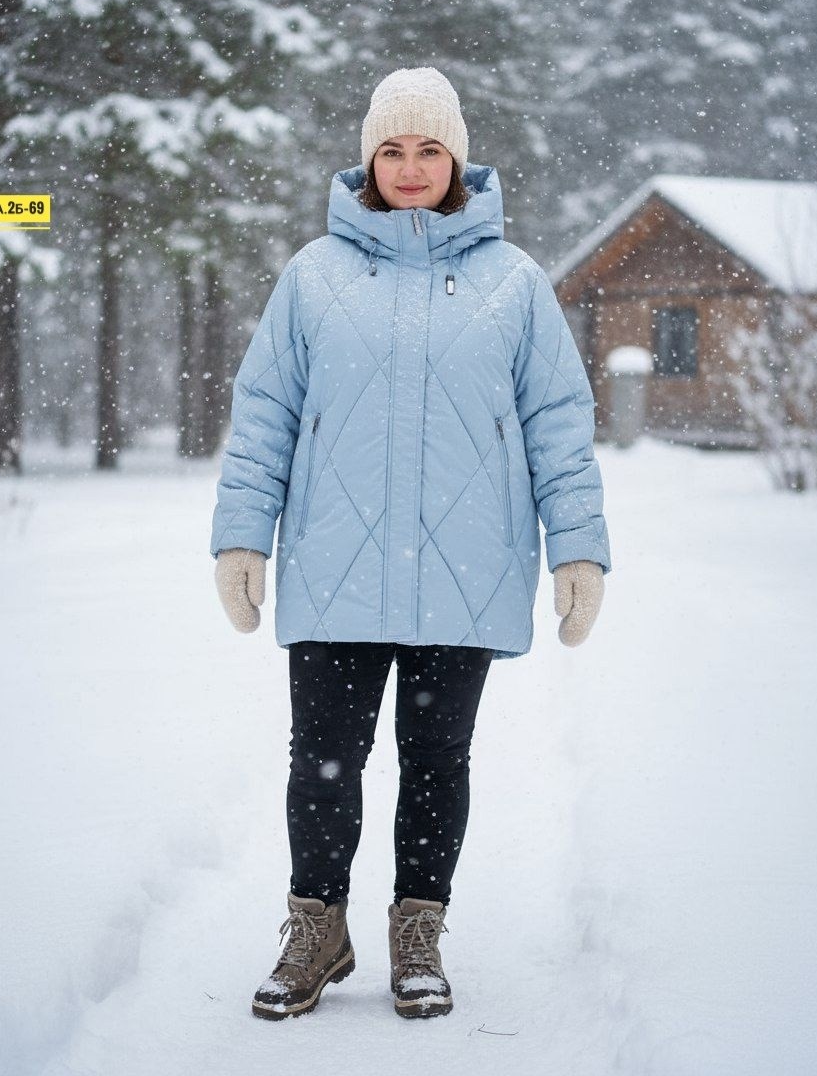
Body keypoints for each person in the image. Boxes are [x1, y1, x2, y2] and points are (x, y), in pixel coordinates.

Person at [210, 66, 612, 1021]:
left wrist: (579, 550)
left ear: (458, 158)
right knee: (324, 758)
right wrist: (241, 538)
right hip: (334, 557)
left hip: (465, 567)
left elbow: (558, 420)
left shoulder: (515, 283)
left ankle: (417, 931)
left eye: (429, 148)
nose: (410, 165)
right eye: (392, 149)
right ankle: (317, 929)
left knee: (438, 758)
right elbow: (265, 412)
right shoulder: (312, 275)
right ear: (368, 160)